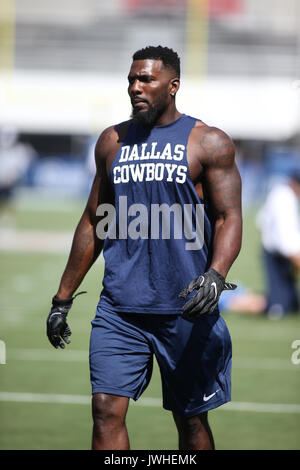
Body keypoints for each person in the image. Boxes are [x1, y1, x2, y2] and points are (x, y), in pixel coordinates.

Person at [46, 46, 242, 450]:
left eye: (146, 80)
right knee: (104, 410)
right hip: (120, 308)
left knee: (190, 421)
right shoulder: (112, 141)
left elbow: (228, 217)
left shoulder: (208, 141)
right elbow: (94, 221)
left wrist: (216, 274)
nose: (136, 87)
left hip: (185, 308)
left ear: (172, 86)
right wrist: (63, 297)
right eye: (132, 80)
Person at [256, 170, 300, 317]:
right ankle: (231, 301)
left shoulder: (282, 194)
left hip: (281, 252)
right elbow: (286, 242)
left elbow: (261, 219)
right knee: (279, 308)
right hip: (277, 254)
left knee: (292, 304)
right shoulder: (284, 199)